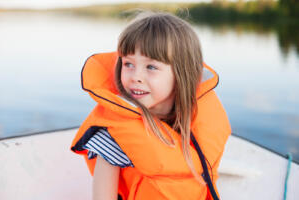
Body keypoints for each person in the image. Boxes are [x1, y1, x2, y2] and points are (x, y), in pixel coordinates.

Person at [71, 11, 231, 200]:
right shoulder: (116, 134)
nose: (135, 77)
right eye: (128, 64)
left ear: (182, 74)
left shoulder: (199, 122)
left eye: (151, 67)